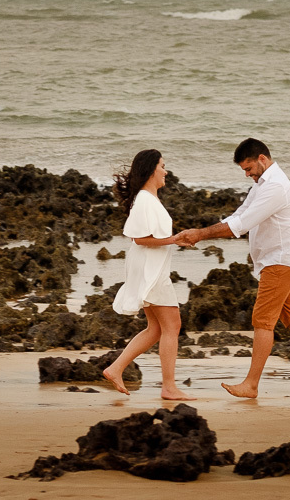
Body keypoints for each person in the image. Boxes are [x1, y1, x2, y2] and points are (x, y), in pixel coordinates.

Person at [179, 138, 290, 398]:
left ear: (262, 159)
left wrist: (200, 234)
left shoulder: (275, 186)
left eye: (248, 168)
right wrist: (200, 232)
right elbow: (239, 214)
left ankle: (251, 385)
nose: (247, 174)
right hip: (284, 259)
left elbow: (242, 224)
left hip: (280, 261)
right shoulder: (262, 184)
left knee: (262, 321)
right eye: (244, 171)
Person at [102, 149, 195, 401]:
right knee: (172, 325)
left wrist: (175, 241)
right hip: (150, 269)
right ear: (152, 169)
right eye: (163, 166)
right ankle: (169, 387)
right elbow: (138, 237)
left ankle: (115, 368)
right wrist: (174, 239)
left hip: (151, 266)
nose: (166, 171)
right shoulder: (144, 199)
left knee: (156, 328)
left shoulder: (149, 199)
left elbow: (152, 238)